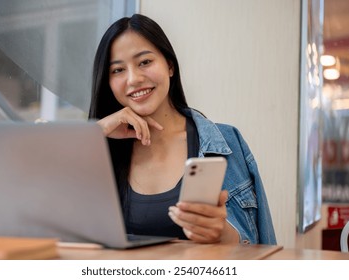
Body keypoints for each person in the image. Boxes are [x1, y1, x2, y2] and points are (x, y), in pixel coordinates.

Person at [88, 14, 276, 245]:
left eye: (145, 62)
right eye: (118, 70)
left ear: (169, 66)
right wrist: (93, 134)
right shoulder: (98, 151)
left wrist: (220, 234)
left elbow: (263, 247)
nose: (133, 79)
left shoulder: (227, 142)